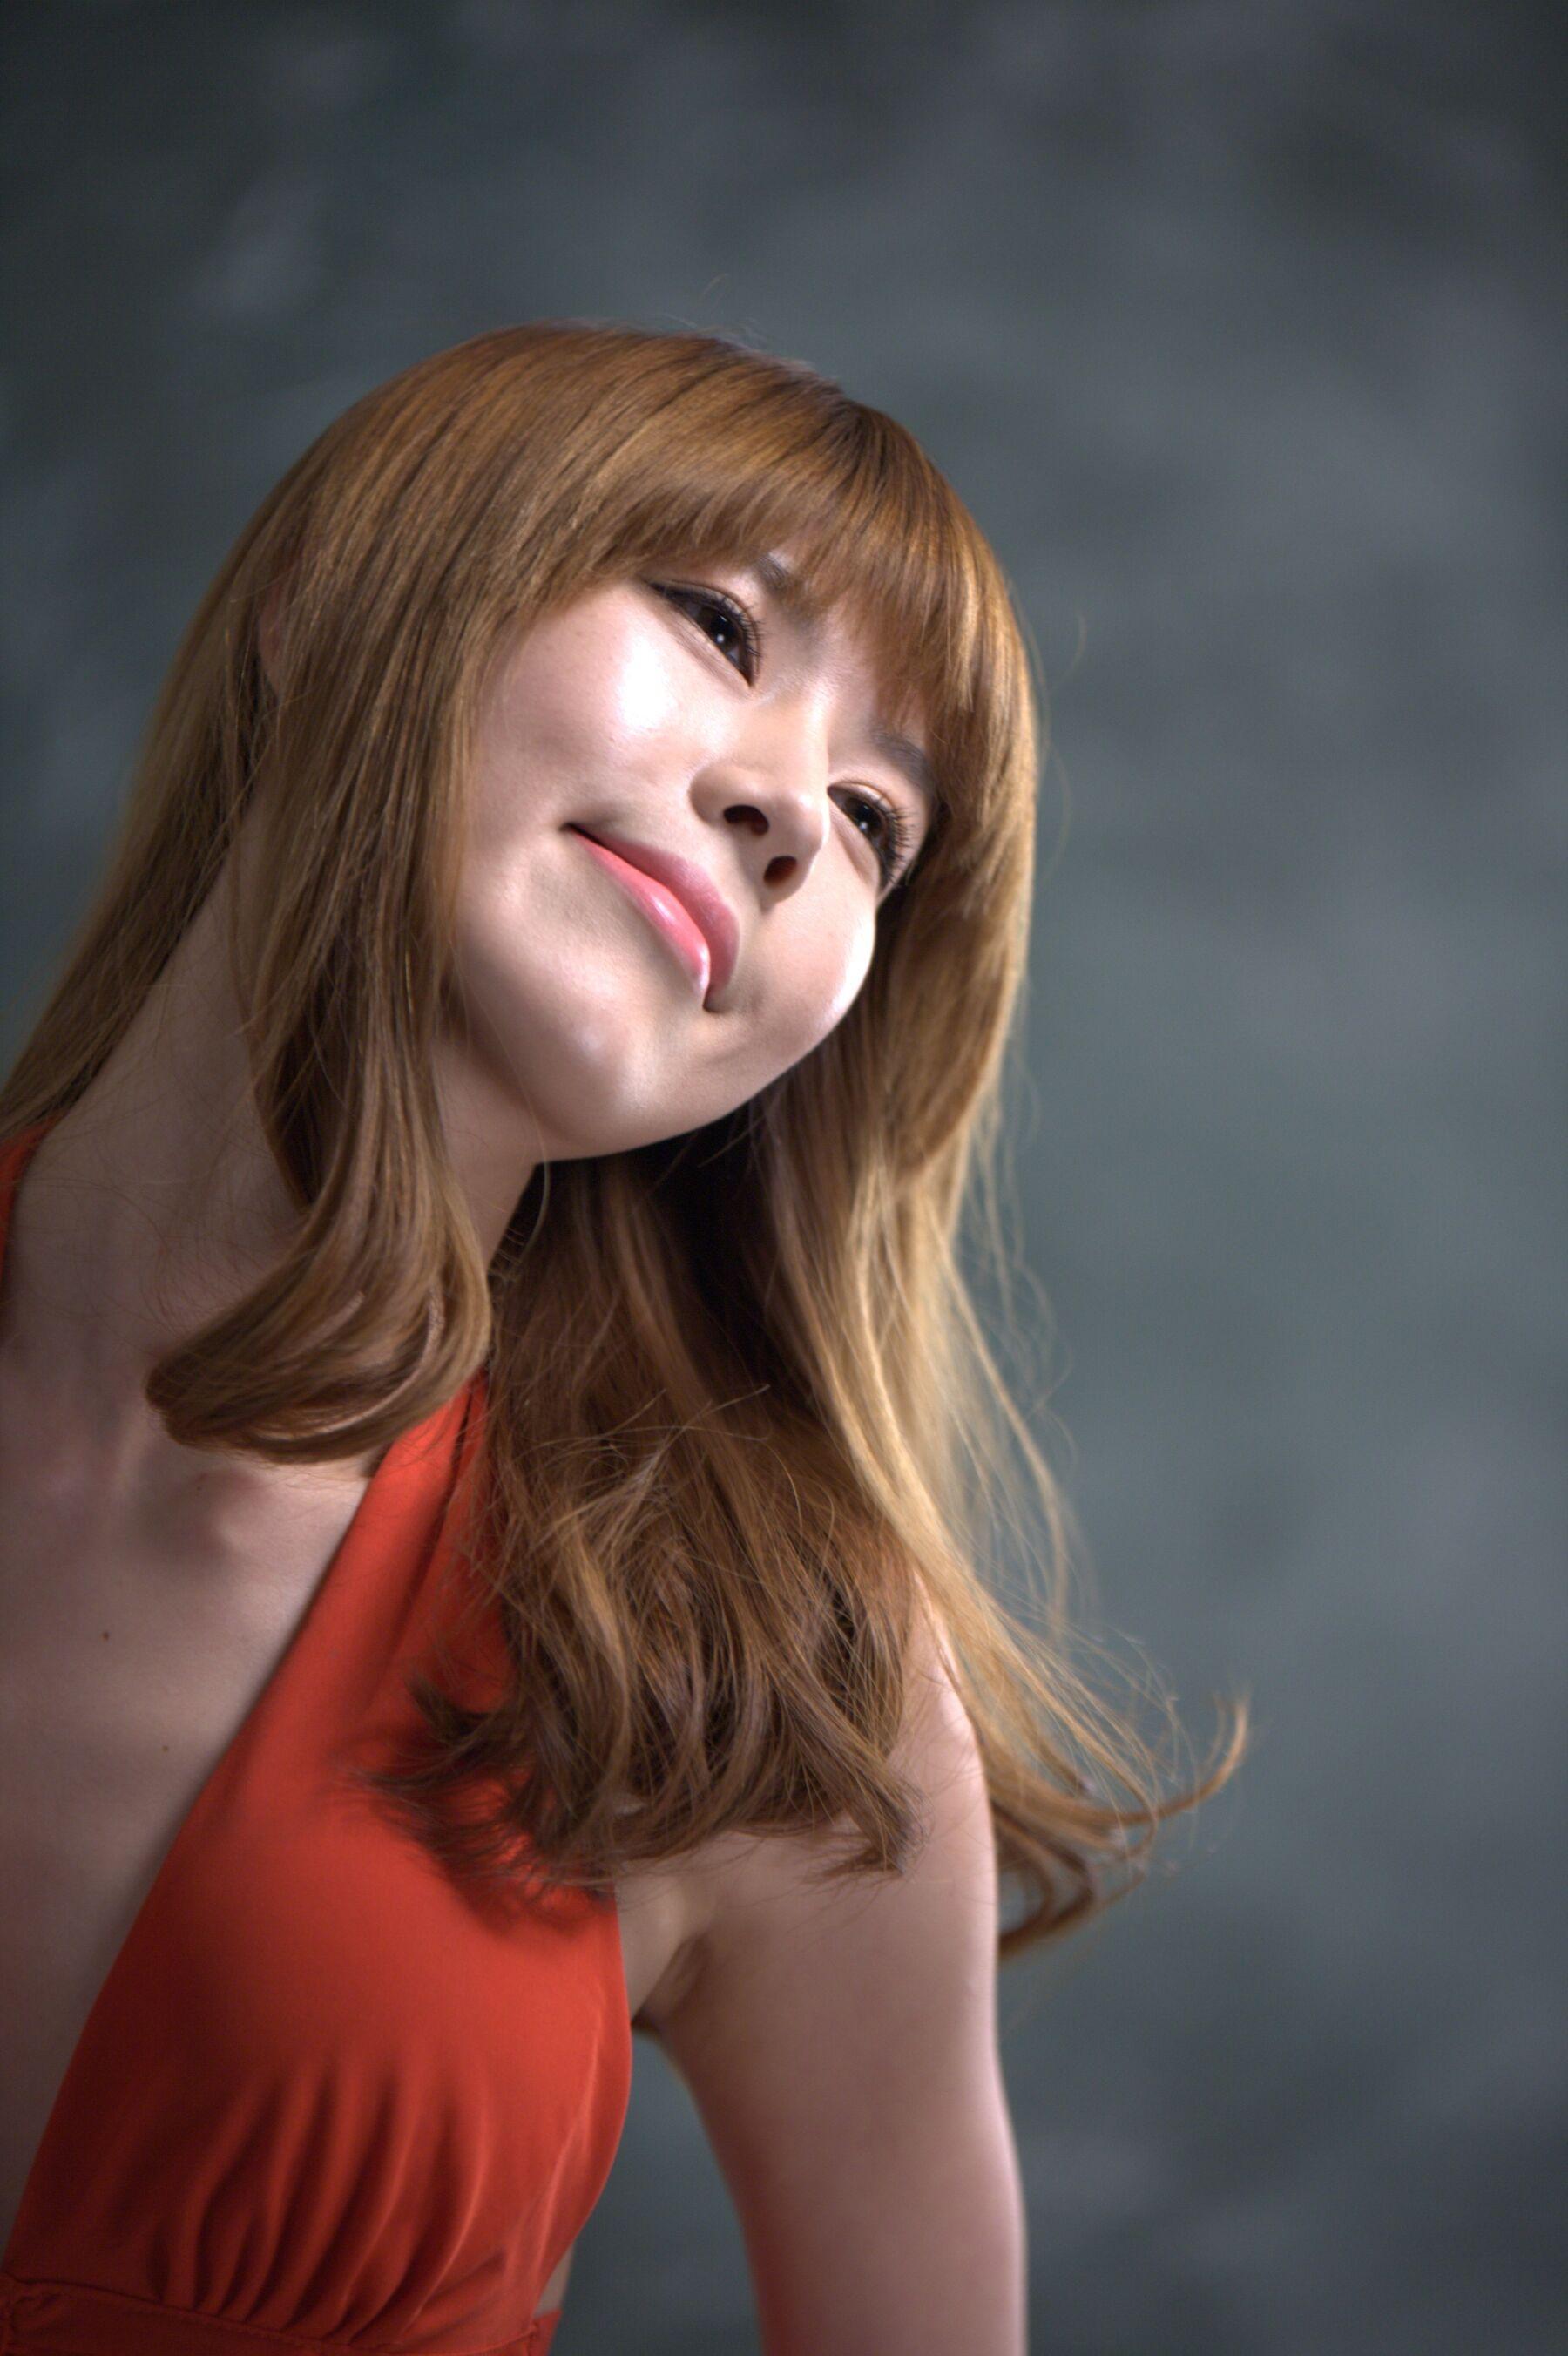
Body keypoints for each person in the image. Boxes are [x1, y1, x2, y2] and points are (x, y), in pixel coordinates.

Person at [0, 322, 1246, 2354]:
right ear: (329, 597)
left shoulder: (775, 1664)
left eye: (876, 820)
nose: (789, 809)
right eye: (718, 623)